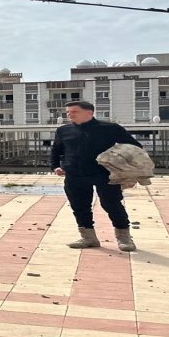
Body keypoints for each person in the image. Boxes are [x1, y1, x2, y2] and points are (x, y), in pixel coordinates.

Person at [50, 100, 142, 252]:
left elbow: (134, 147)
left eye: (74, 112)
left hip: (105, 174)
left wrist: (120, 163)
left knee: (111, 204)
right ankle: (88, 238)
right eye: (68, 112)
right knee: (79, 206)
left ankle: (124, 237)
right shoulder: (63, 130)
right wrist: (56, 166)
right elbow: (56, 150)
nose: (69, 114)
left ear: (89, 112)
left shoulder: (110, 128)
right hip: (75, 174)